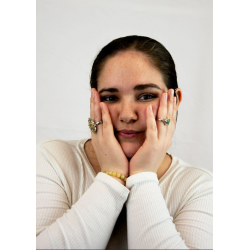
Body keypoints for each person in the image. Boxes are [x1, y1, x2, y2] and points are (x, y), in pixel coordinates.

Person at [36, 35, 213, 249]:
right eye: (110, 97)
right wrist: (112, 175)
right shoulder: (52, 159)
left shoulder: (199, 187)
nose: (127, 115)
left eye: (146, 96)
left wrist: (142, 177)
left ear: (174, 100)